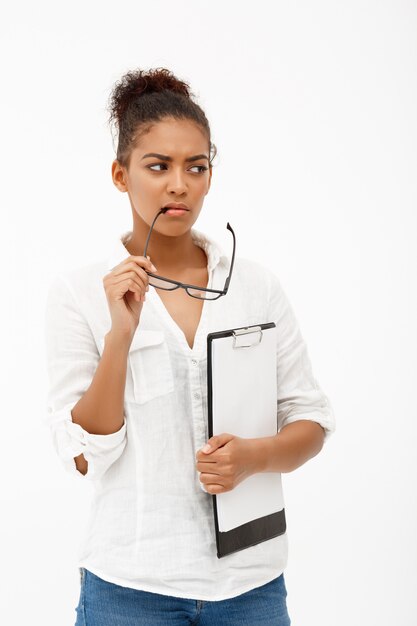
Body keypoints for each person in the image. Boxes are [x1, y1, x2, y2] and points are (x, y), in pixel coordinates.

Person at [44, 67, 336, 626]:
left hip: (252, 588)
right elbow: (85, 455)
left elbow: (310, 420)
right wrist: (120, 336)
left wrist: (254, 457)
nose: (179, 184)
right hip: (129, 589)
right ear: (119, 174)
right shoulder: (78, 293)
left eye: (196, 167)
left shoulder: (255, 286)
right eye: (158, 166)